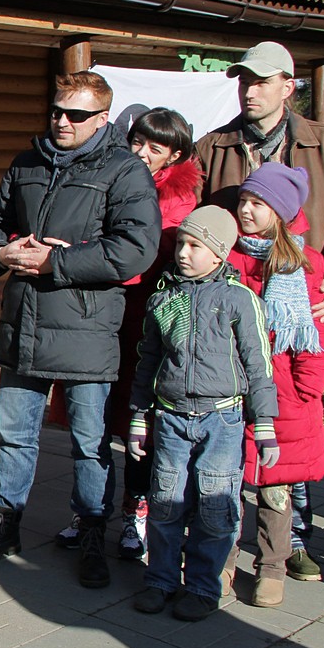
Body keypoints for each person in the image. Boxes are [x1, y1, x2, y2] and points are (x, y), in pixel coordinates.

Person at [0, 71, 160, 590]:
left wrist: (57, 262)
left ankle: (93, 532)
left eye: (76, 114)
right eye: (56, 110)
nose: (61, 120)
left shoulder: (125, 171)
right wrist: (0, 252)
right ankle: (6, 526)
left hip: (85, 329)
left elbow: (135, 249)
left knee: (90, 443)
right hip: (23, 324)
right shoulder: (26, 162)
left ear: (102, 118)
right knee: (15, 437)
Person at [195, 39, 324, 583]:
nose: (249, 90)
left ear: (288, 84)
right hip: (234, 304)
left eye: (260, 80)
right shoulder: (214, 146)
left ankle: (292, 542)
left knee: (293, 424)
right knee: (238, 437)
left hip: (301, 301)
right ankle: (229, 547)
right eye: (244, 80)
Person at [52, 108, 201, 560]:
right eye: (137, 142)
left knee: (141, 426)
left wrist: (96, 259)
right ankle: (90, 511)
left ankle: (136, 511)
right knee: (92, 420)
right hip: (98, 317)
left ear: (175, 156)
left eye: (155, 148)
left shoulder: (179, 201)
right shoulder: (108, 176)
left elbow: (146, 257)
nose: (142, 153)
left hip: (147, 326)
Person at [128, 205, 278, 621]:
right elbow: (147, 361)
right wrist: (139, 417)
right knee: (165, 502)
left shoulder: (239, 300)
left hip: (222, 421)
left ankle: (202, 587)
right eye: (181, 243)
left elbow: (258, 366)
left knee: (215, 508)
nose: (183, 252)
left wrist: (265, 424)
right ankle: (160, 580)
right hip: (171, 419)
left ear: (219, 253)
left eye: (195, 245)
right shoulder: (163, 299)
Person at [224, 164, 324, 608]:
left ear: (281, 212)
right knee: (225, 483)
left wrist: (307, 389)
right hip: (230, 385)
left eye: (258, 204)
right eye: (243, 201)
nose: (246, 210)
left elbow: (314, 335)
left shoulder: (303, 265)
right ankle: (223, 561)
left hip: (285, 392)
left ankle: (271, 567)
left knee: (275, 487)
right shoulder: (226, 254)